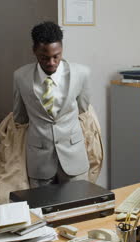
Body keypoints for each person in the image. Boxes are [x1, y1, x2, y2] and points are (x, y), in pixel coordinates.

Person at [13, 21, 90, 188]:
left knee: (78, 209)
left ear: (61, 48)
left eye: (57, 56)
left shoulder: (81, 74)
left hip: (74, 158)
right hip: (39, 161)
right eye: (44, 57)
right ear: (34, 51)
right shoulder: (20, 77)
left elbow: (83, 108)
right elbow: (20, 116)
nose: (52, 62)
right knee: (41, 212)